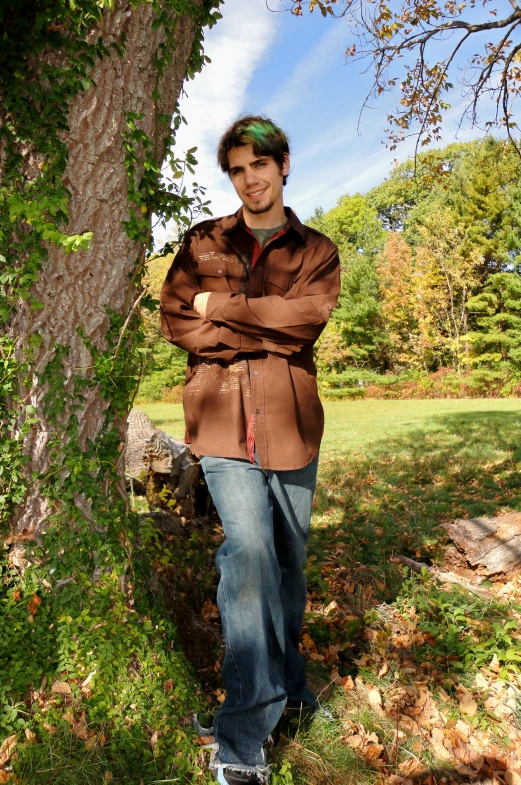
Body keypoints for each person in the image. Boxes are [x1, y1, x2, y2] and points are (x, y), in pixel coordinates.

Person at [160, 116, 340, 785]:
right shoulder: (200, 242)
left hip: (292, 423)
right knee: (249, 556)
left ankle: (288, 685)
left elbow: (303, 323)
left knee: (288, 560)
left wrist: (222, 305)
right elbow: (178, 320)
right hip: (219, 421)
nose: (250, 177)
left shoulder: (316, 250)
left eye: (260, 164)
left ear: (284, 165)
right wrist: (245, 322)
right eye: (237, 168)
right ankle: (240, 735)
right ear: (230, 175)